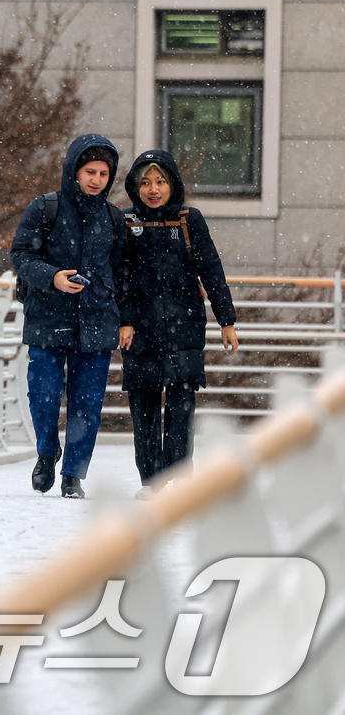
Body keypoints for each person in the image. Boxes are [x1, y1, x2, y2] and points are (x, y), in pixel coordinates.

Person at [115, 150, 237, 498]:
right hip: (139, 329)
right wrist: (124, 321)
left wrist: (226, 321)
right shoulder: (125, 222)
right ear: (135, 187)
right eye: (145, 183)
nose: (153, 189)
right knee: (144, 406)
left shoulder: (189, 219)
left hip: (184, 325)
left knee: (182, 404)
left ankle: (180, 479)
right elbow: (119, 277)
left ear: (173, 184)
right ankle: (152, 481)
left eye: (161, 181)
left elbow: (212, 271)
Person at [11, 135, 123, 499]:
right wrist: (52, 277)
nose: (96, 179)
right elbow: (21, 256)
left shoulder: (113, 219)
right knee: (43, 395)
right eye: (90, 171)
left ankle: (74, 475)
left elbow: (124, 273)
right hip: (47, 317)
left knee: (87, 404)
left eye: (104, 173)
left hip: (98, 321)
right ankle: (47, 451)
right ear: (74, 170)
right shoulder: (45, 208)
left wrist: (126, 319)